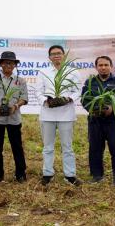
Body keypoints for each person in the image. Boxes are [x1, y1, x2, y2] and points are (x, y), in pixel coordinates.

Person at [35, 45, 82, 186]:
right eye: (53, 54)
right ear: (49, 57)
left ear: (64, 55)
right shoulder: (43, 72)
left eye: (59, 53)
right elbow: (38, 91)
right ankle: (47, 174)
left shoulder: (73, 71)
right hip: (47, 114)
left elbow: (78, 90)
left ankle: (70, 175)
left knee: (67, 146)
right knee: (48, 147)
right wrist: (46, 101)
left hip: (66, 114)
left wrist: (68, 99)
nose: (56, 56)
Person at [81, 56, 115, 186]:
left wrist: (112, 108)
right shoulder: (90, 82)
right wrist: (93, 109)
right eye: (100, 65)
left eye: (106, 65)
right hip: (95, 119)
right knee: (95, 147)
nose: (103, 67)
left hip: (113, 120)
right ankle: (97, 175)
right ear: (96, 67)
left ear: (111, 66)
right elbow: (84, 99)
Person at [0, 51, 28, 183]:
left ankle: (20, 173)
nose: (8, 65)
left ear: (15, 65)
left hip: (14, 119)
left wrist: (15, 107)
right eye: (5, 62)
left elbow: (24, 98)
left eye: (11, 62)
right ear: (1, 64)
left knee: (17, 147)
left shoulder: (20, 81)